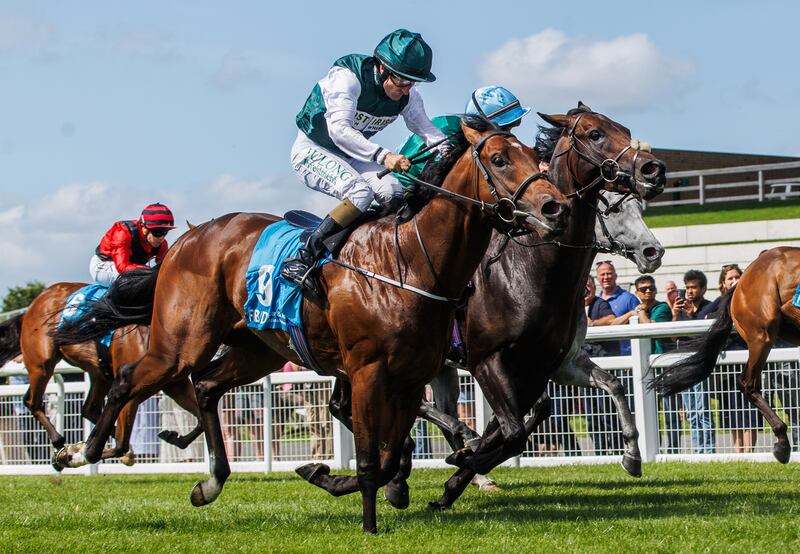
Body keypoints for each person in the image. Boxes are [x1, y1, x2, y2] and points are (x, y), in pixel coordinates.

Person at [282, 29, 445, 298]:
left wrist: (453, 150)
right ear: (382, 68)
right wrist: (384, 156)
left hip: (353, 156)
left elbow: (427, 130)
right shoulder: (347, 78)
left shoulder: (408, 94)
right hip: (312, 150)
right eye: (402, 81)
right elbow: (340, 131)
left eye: (413, 83)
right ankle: (303, 258)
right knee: (360, 193)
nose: (407, 89)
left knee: (394, 194)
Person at [394, 84, 530, 188]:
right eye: (504, 128)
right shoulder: (449, 132)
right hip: (400, 185)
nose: (507, 135)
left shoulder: (467, 131)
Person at [700, 264, 761, 453]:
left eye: (737, 277)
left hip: (748, 363)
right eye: (730, 278)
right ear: (723, 283)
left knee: (750, 409)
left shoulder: (750, 299)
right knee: (732, 411)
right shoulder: (721, 301)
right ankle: (738, 452)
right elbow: (702, 316)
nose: (734, 281)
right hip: (727, 369)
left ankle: (750, 452)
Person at [630, 275, 683, 453]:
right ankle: (654, 448)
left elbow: (649, 328)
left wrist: (640, 312)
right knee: (649, 412)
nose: (648, 291)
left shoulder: (661, 308)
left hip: (664, 364)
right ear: (637, 292)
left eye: (651, 288)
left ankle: (674, 450)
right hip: (645, 367)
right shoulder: (637, 309)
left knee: (670, 411)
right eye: (643, 289)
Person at [673, 269, 715, 454]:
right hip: (684, 363)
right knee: (690, 412)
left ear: (703, 289)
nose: (689, 291)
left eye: (694, 287)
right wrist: (676, 314)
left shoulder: (711, 307)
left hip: (701, 363)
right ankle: (698, 450)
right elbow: (674, 338)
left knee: (702, 410)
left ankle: (708, 451)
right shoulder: (681, 307)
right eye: (687, 287)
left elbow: (705, 336)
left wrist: (691, 316)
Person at [582, 275, 623, 455]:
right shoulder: (574, 305)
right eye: (583, 286)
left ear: (593, 287)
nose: (585, 290)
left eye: (589, 286)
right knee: (591, 415)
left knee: (607, 411)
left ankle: (615, 449)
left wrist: (592, 323)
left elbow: (611, 318)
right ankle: (599, 451)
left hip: (600, 363)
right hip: (583, 367)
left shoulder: (599, 303)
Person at [90, 203, 175, 286]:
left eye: (165, 232)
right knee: (129, 278)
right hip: (103, 265)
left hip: (130, 267)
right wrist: (149, 270)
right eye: (158, 232)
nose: (161, 238)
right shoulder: (122, 232)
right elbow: (122, 267)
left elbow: (164, 269)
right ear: (144, 228)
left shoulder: (162, 244)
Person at [595, 261, 640, 355]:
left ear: (615, 276)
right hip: (601, 355)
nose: (606, 277)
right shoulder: (594, 302)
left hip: (627, 355)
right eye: (602, 274)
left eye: (609, 273)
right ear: (597, 278)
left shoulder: (629, 299)